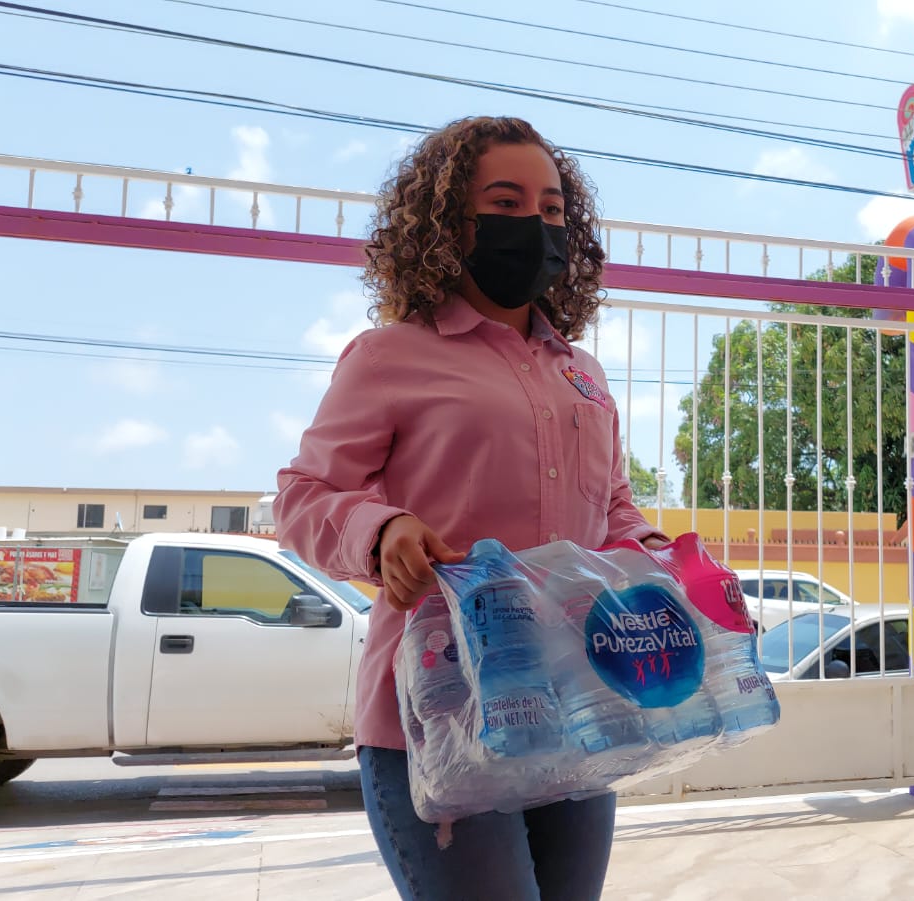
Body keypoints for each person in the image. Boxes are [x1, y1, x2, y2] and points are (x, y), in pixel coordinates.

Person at [274, 116, 666, 901]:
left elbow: (614, 512)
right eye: (507, 200)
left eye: (553, 208)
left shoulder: (581, 372)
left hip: (577, 707)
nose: (536, 222)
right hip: (439, 715)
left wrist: (666, 566)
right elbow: (303, 497)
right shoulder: (391, 355)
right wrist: (382, 530)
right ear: (451, 220)